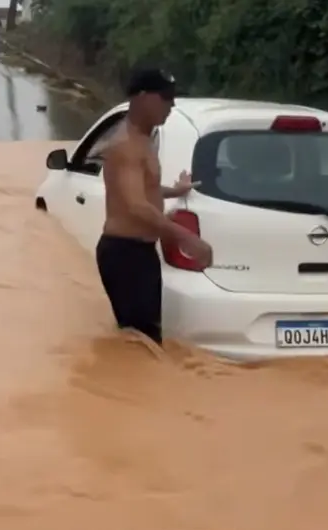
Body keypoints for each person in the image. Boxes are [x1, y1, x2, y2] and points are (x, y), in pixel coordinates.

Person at [98, 67, 213, 345]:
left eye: (172, 97)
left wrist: (175, 190)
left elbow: (144, 190)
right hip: (125, 255)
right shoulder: (125, 146)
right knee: (142, 344)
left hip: (140, 254)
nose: (171, 104)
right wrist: (187, 238)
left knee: (143, 343)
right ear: (141, 97)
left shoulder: (144, 141)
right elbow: (136, 205)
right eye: (165, 97)